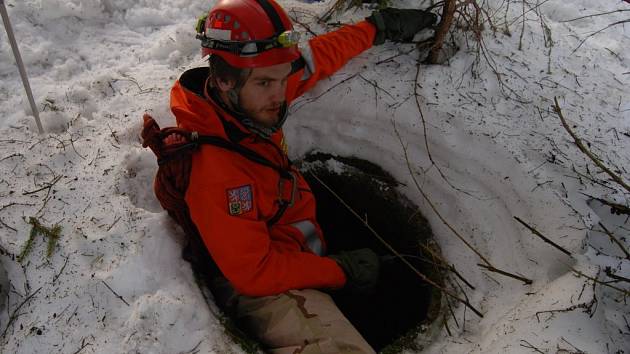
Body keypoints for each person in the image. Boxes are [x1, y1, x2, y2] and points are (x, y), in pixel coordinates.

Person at [163, 0, 437, 352]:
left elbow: (318, 57)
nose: (280, 96)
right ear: (223, 80)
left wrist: (377, 28)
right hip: (261, 286)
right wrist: (339, 270)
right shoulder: (218, 174)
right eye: (265, 83)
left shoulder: (250, 93)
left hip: (290, 245)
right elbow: (255, 273)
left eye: (282, 79)